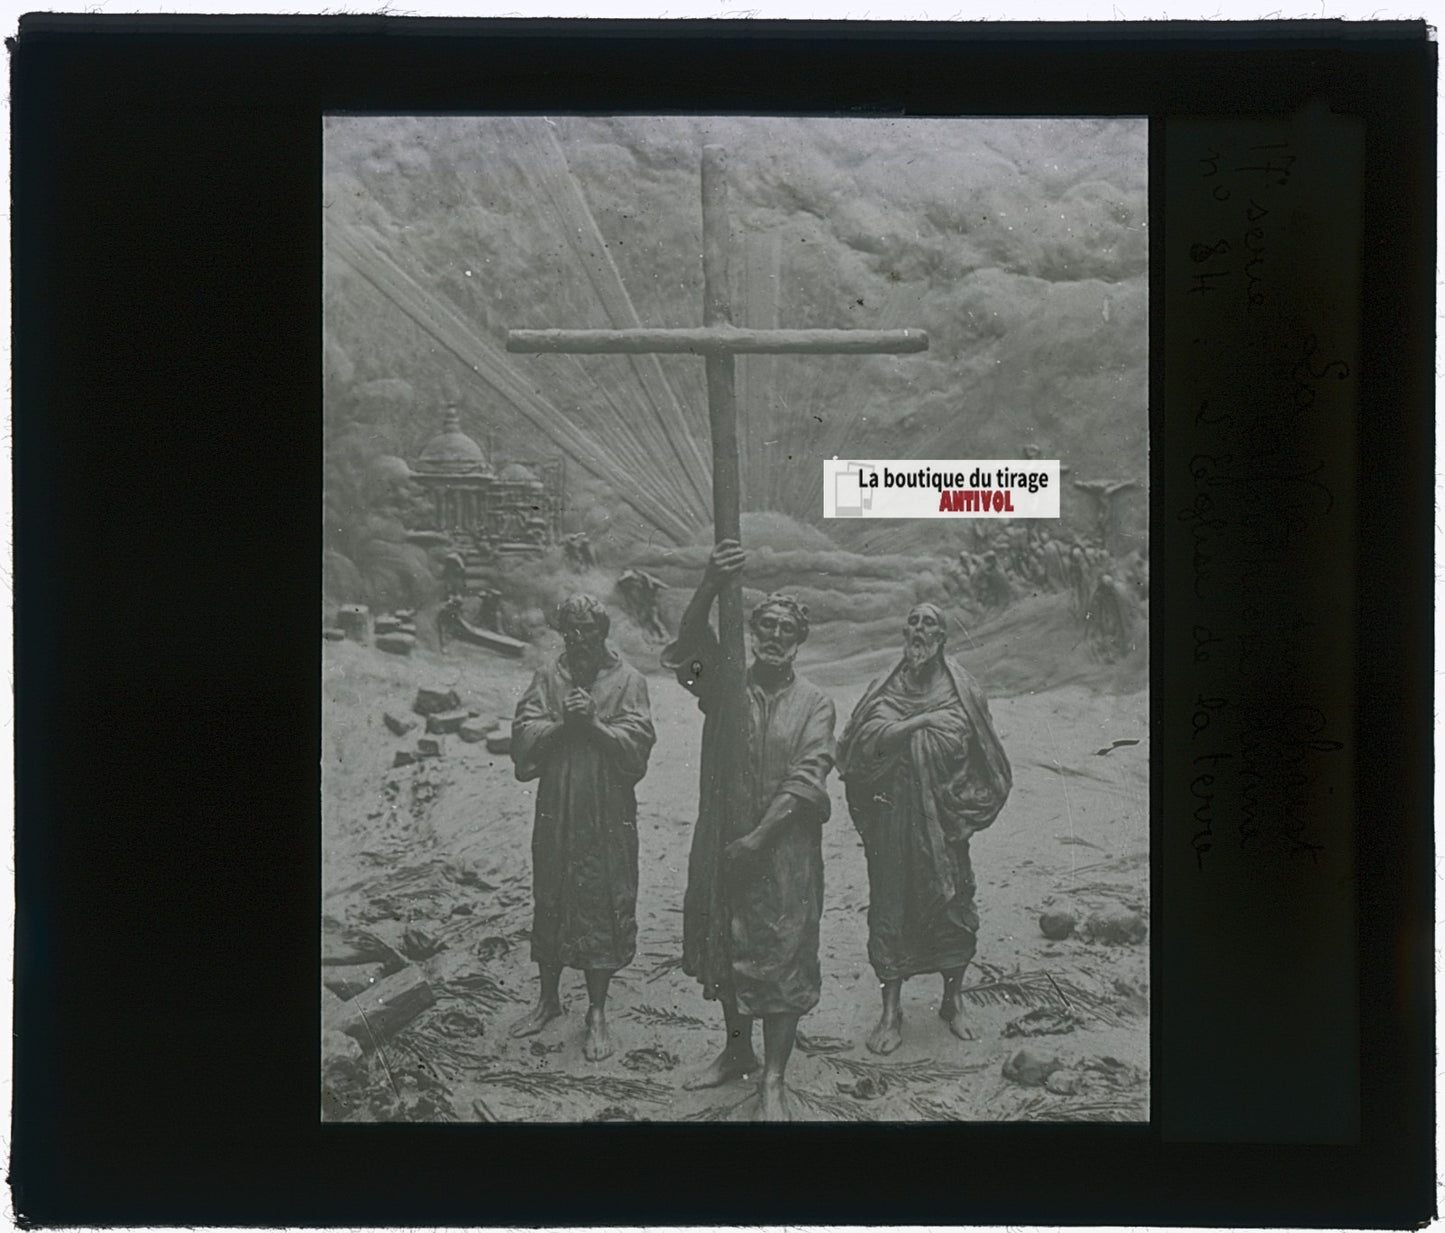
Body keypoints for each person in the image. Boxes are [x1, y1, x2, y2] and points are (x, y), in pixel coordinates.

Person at [662, 541, 836, 1121]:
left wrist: (758, 840)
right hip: (725, 842)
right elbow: (688, 650)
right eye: (766, 625)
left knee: (783, 956)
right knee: (728, 949)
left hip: (783, 852)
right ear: (754, 630)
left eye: (787, 629)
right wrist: (711, 583)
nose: (775, 636)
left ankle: (775, 1078)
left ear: (800, 640)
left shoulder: (816, 703)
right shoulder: (725, 687)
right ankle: (736, 1052)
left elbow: (809, 776)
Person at [837, 603, 1012, 1054]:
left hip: (945, 821)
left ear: (943, 636)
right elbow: (862, 741)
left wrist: (961, 806)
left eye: (929, 622)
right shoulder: (886, 685)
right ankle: (891, 1010)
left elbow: (981, 752)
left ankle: (952, 1001)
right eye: (913, 621)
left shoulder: (964, 689)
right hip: (893, 819)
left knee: (952, 904)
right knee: (891, 908)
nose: (918, 629)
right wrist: (921, 722)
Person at [509, 594, 656, 1061]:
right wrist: (559, 727)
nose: (578, 640)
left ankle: (596, 1011)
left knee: (601, 901)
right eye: (569, 631)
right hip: (557, 809)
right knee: (550, 895)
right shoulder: (547, 677)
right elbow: (523, 736)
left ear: (602, 630)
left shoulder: (629, 680)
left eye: (587, 630)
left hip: (607, 813)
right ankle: (548, 999)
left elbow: (638, 746)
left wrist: (593, 724)